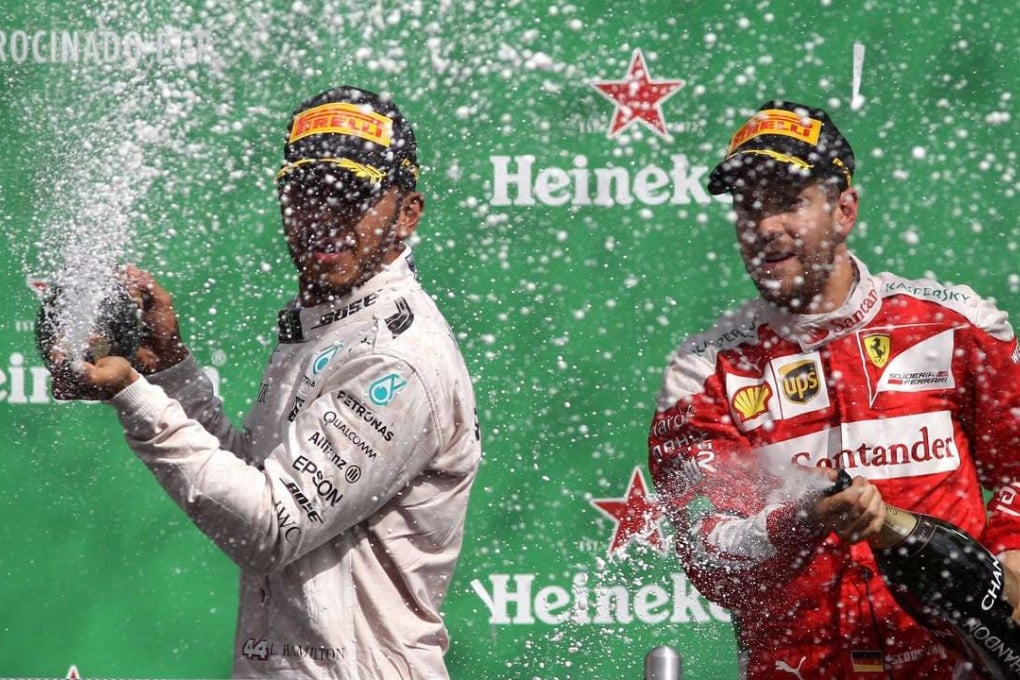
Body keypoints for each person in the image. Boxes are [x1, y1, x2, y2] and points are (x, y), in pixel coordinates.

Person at [46, 86, 482, 679]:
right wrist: (168, 368)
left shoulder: (396, 357)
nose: (324, 216)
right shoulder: (331, 322)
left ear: (407, 214)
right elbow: (261, 481)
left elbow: (271, 527)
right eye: (306, 194)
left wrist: (133, 395)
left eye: (352, 196)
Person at [647, 100, 1020, 678]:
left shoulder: (953, 324)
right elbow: (709, 559)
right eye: (748, 207)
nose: (765, 226)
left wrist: (1012, 548)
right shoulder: (705, 373)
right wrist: (801, 516)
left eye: (788, 202)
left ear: (844, 210)